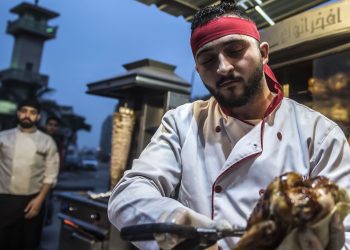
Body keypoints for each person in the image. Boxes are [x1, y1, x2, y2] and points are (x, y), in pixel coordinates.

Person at [108, 1, 350, 249]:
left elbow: (347, 230)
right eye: (208, 60)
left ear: (264, 53)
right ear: (198, 70)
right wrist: (176, 225)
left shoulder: (319, 133)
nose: (223, 67)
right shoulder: (182, 123)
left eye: (235, 50)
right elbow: (127, 196)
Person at [0, 98, 59, 250]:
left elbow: (51, 175)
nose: (28, 115)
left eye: (32, 113)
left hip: (31, 201)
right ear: (19, 113)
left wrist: (39, 201)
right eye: (24, 111)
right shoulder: (3, 137)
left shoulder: (47, 142)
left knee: (28, 244)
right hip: (4, 200)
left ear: (38, 117)